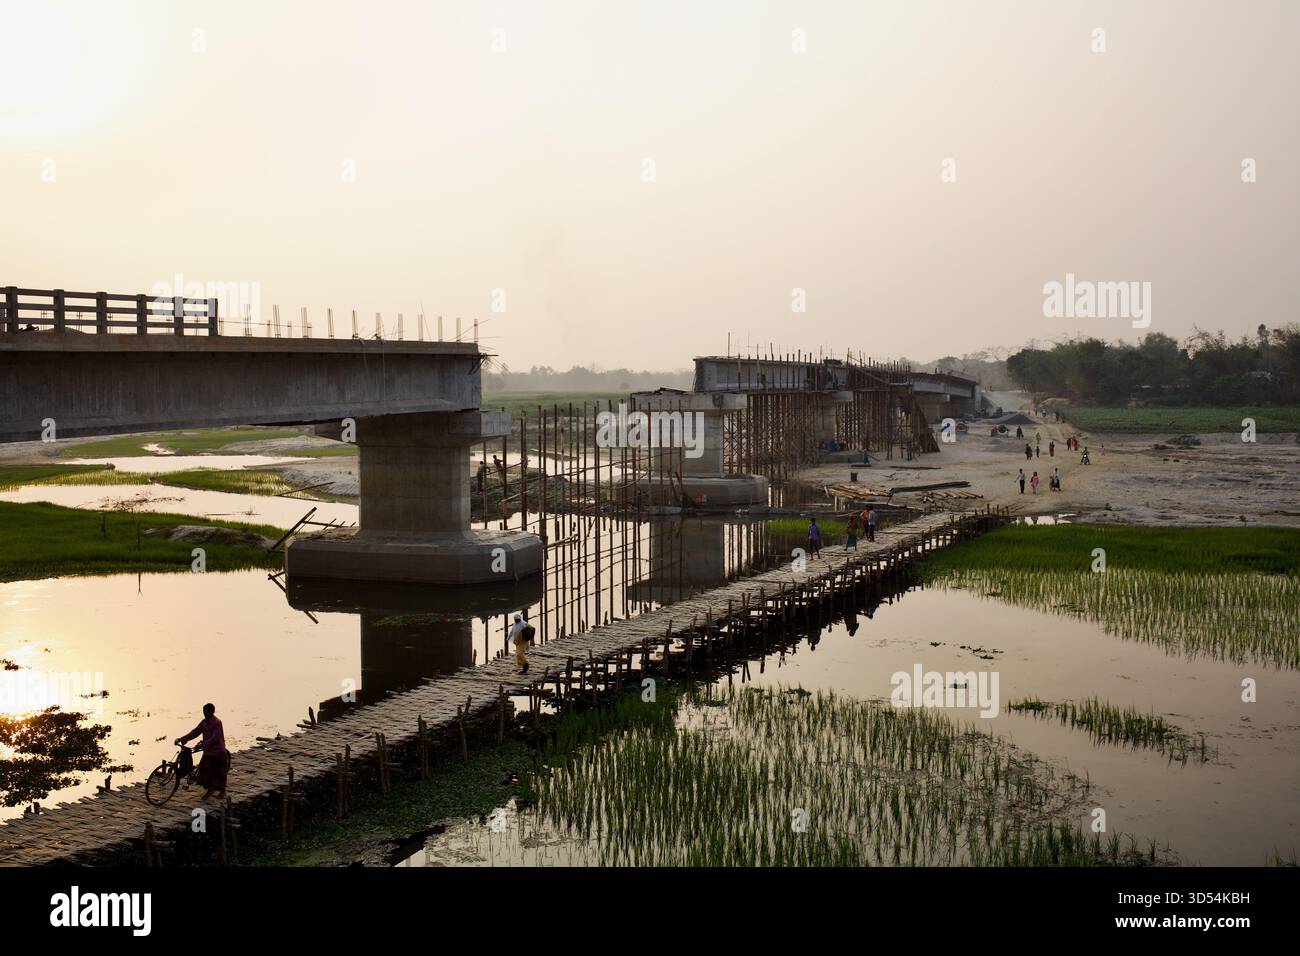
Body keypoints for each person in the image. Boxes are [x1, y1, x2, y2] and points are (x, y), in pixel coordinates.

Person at [175, 703, 230, 800]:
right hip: (208, 751)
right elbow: (195, 732)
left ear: (211, 712)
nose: (205, 713)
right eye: (204, 711)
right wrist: (182, 738)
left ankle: (222, 791)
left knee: (220, 772)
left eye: (206, 712)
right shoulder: (204, 722)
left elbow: (214, 739)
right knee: (206, 773)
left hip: (217, 750)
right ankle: (210, 790)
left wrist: (202, 745)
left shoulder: (217, 723)